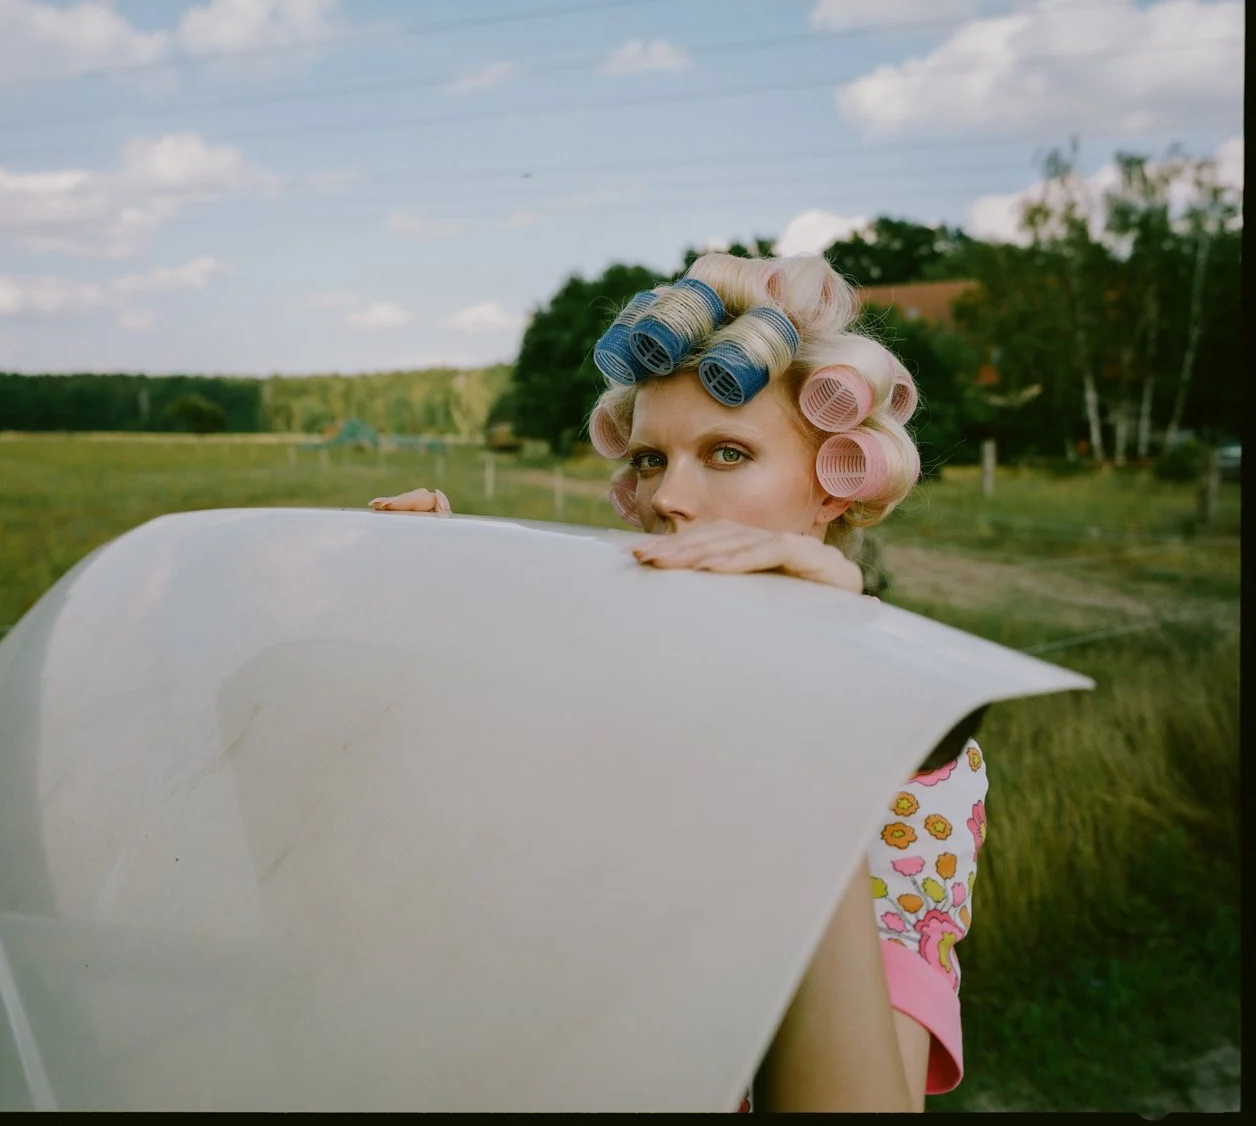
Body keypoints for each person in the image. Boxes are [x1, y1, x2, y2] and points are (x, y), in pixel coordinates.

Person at [368, 250, 988, 1113]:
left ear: (835, 488)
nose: (670, 498)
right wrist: (415, 623)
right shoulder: (589, 665)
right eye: (653, 459)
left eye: (728, 452)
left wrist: (819, 702)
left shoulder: (917, 754)